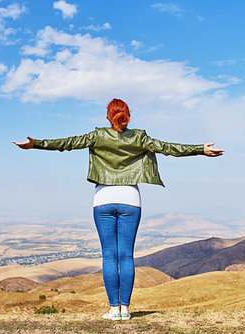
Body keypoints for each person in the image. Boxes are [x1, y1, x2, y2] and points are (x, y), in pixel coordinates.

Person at [13, 98, 223, 321]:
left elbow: (67, 143)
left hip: (103, 198)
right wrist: (199, 149)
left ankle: (113, 309)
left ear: (107, 116)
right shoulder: (139, 137)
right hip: (130, 199)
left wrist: (36, 144)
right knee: (126, 257)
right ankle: (125, 310)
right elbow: (168, 148)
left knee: (109, 257)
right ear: (128, 115)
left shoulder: (97, 135)